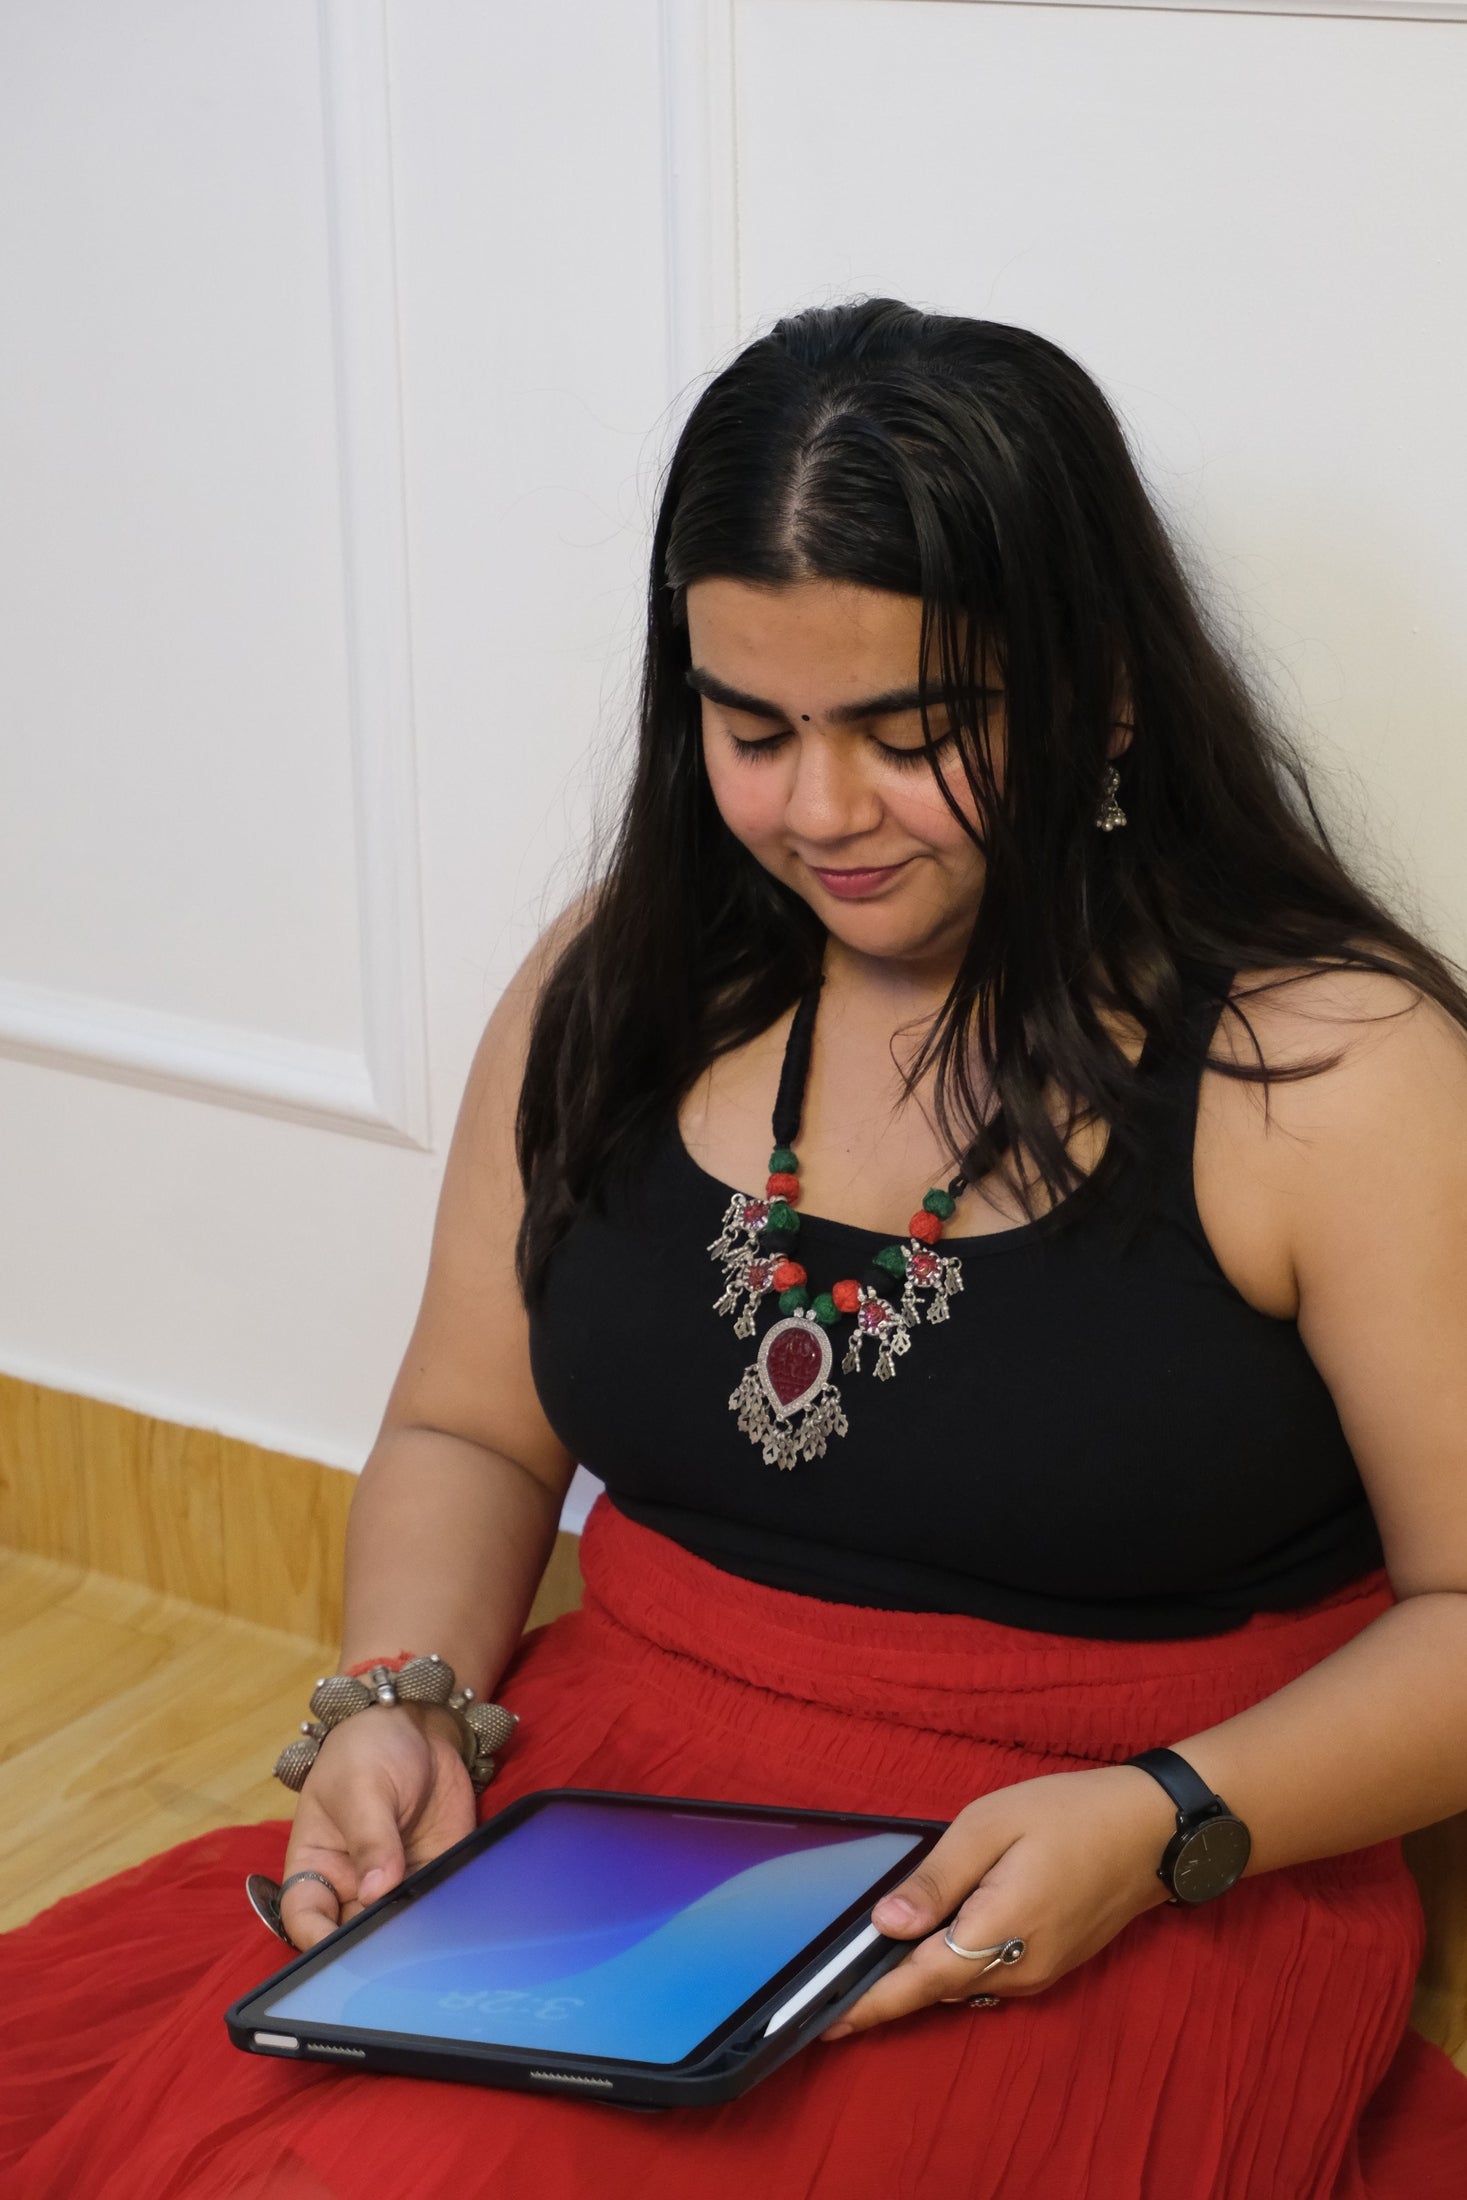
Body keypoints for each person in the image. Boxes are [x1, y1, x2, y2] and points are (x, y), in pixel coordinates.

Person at [4, 298, 1467, 2199]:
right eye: (752, 729)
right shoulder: (625, 977)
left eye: (914, 735)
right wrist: (402, 1695)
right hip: (614, 1802)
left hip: (1107, 1859)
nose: (821, 813)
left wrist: (1169, 1815)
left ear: (1103, 694)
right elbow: (469, 1427)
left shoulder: (1328, 1068)